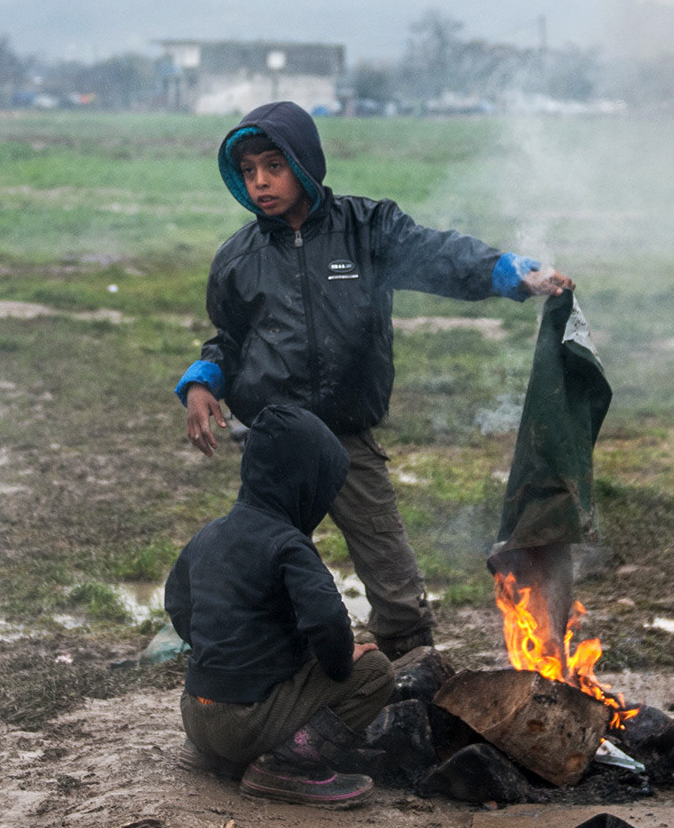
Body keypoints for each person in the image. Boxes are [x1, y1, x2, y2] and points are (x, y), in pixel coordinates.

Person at [174, 100, 572, 658]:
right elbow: (230, 340)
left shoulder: (367, 230)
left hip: (347, 438)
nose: (261, 182)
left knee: (394, 580)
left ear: (304, 162)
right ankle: (277, 685)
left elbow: (439, 255)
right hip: (278, 446)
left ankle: (410, 676)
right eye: (248, 172)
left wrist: (506, 271)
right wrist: (201, 382)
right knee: (269, 570)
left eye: (274, 165)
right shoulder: (238, 259)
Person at [164, 404, 394, 807]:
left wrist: (221, 656)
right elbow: (325, 619)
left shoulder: (209, 535)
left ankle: (214, 756)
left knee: (281, 669)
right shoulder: (289, 545)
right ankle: (288, 768)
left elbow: (178, 604)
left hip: (195, 715)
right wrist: (341, 662)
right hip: (244, 724)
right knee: (375, 670)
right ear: (305, 483)